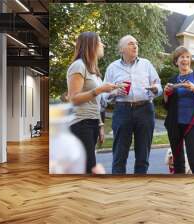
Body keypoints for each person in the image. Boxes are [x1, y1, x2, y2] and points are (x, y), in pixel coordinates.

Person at [103, 35, 162, 174]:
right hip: (123, 111)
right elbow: (104, 95)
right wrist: (114, 92)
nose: (135, 46)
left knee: (143, 154)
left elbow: (158, 86)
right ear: (121, 49)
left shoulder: (146, 64)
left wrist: (155, 89)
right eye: (131, 44)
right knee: (119, 154)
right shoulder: (112, 68)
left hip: (145, 109)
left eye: (136, 43)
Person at [66, 32, 118, 174]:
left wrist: (100, 125)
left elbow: (94, 103)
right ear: (91, 45)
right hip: (81, 124)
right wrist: (99, 90)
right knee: (88, 168)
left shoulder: (92, 70)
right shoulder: (78, 66)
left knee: (88, 166)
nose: (103, 45)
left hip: (92, 123)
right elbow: (73, 98)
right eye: (100, 42)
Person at [163, 46, 194, 174]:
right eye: (182, 57)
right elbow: (167, 106)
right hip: (174, 124)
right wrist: (166, 93)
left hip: (193, 124)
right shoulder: (172, 80)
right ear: (176, 61)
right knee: (178, 162)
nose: (185, 60)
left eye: (187, 57)